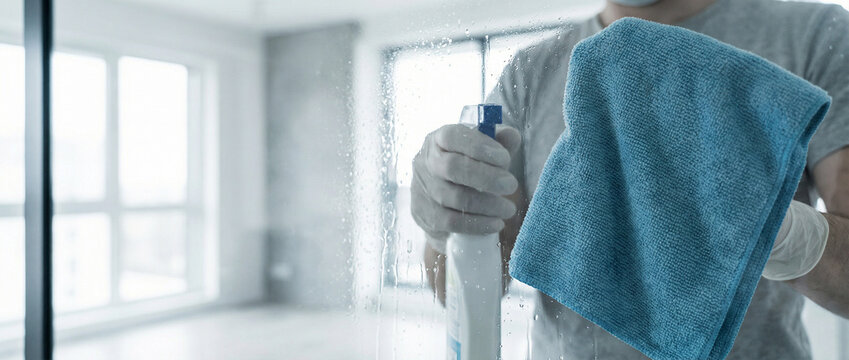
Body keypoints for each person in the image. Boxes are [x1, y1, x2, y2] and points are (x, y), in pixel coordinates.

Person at [411, 0, 849, 358]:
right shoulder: (532, 72)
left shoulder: (812, 36)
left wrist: (784, 234)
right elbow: (468, 289)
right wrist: (445, 228)